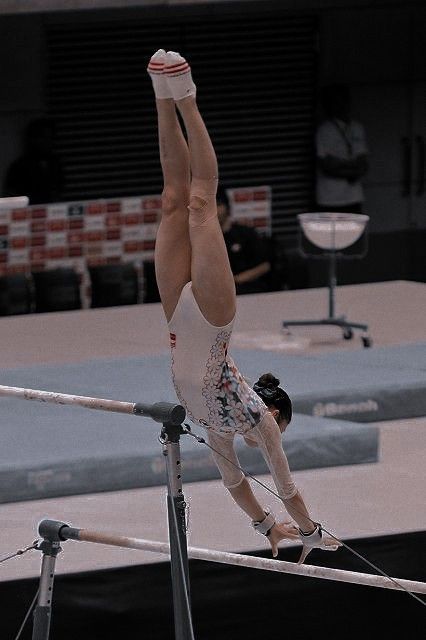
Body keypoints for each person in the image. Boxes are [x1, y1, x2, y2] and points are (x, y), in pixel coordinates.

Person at [148, 49, 340, 563]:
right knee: (200, 202)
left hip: (174, 317)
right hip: (211, 320)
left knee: (171, 198)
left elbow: (234, 482)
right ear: (277, 413)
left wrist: (265, 528)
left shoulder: (220, 427)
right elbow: (288, 488)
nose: (269, 440)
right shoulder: (259, 420)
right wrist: (310, 531)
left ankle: (162, 98)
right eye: (281, 427)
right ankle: (187, 98)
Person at [315, 84, 368, 213]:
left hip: (353, 197)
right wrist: (351, 169)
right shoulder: (323, 130)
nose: (342, 105)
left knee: (355, 231)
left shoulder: (357, 128)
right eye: (337, 102)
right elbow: (327, 166)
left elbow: (363, 163)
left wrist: (341, 164)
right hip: (330, 199)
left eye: (344, 100)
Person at [216, 188, 272, 295]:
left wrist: (237, 279)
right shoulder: (203, 240)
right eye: (210, 205)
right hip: (218, 293)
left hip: (248, 289)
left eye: (218, 204)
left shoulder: (246, 233)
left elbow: (264, 266)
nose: (215, 210)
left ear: (227, 207)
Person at [3, 117, 64, 205]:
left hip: (53, 212)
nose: (47, 142)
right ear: (33, 139)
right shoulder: (19, 167)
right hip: (28, 213)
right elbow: (11, 195)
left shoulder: (55, 163)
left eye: (50, 138)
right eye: (43, 137)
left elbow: (59, 191)